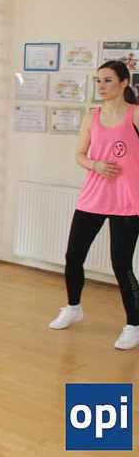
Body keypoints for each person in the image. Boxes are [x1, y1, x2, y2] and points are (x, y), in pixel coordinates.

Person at [48, 60, 139, 350]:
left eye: (108, 80)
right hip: (93, 197)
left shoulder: (136, 114)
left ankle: (134, 324)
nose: (101, 86)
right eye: (99, 80)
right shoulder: (92, 116)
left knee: (121, 264)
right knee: (74, 256)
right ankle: (73, 307)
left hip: (127, 201)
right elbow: (80, 154)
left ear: (124, 83)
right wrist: (95, 164)